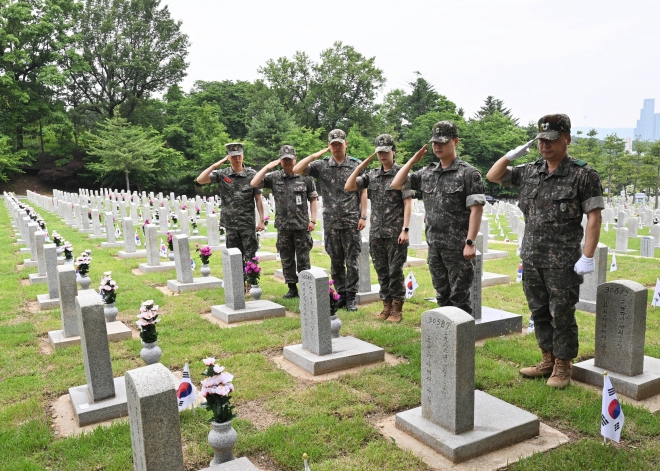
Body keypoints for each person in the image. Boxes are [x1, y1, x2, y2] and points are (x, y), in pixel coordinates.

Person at [486, 114, 604, 389]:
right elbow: (493, 176)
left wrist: (587, 256)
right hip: (532, 256)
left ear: (567, 139)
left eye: (551, 140)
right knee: (539, 311)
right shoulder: (530, 171)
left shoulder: (583, 174)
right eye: (541, 140)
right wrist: (509, 156)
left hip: (563, 261)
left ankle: (563, 365)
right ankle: (547, 358)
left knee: (561, 314)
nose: (545, 146)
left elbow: (594, 218)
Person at [391, 121, 485, 314]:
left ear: (455, 141)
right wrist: (412, 161)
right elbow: (397, 183)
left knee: (459, 298)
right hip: (435, 246)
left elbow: (476, 210)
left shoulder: (469, 173)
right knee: (442, 296)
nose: (437, 146)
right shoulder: (427, 173)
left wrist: (470, 242)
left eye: (442, 142)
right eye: (434, 142)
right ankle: (447, 341)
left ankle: (463, 342)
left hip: (458, 248)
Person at [293, 129, 367, 311]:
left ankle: (351, 296)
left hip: (351, 220)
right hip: (331, 222)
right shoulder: (321, 165)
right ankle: (340, 294)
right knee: (335, 260)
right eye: (333, 145)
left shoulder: (355, 165)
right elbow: (297, 169)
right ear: (329, 146)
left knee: (352, 260)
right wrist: (315, 154)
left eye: (339, 144)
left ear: (346, 144)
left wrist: (363, 215)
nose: (336, 148)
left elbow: (363, 191)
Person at [344, 134, 413, 323]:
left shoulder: (402, 174)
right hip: (377, 233)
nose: (382, 155)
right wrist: (359, 167)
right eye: (379, 152)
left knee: (395, 271)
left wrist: (405, 229)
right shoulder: (372, 175)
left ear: (393, 151)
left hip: (395, 232)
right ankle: (386, 306)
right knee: (381, 270)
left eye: (385, 151)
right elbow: (349, 186)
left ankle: (397, 309)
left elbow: (408, 203)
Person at [250, 145, 318, 298]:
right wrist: (267, 167)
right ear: (280, 161)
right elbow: (254, 183)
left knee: (303, 258)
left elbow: (313, 199)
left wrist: (313, 220)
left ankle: (306, 287)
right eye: (284, 160)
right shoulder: (274, 177)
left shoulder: (305, 176)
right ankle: (292, 288)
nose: (287, 163)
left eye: (290, 159)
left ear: (296, 159)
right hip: (283, 226)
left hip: (301, 225)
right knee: (286, 259)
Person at [196, 142, 265, 267]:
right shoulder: (222, 174)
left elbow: (258, 198)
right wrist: (216, 165)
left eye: (239, 155)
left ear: (243, 156)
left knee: (250, 257)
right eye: (234, 156)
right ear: (228, 157)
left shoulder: (252, 174)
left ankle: (251, 284)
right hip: (230, 224)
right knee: (234, 257)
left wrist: (261, 220)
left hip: (247, 223)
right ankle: (238, 284)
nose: (237, 159)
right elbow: (200, 180)